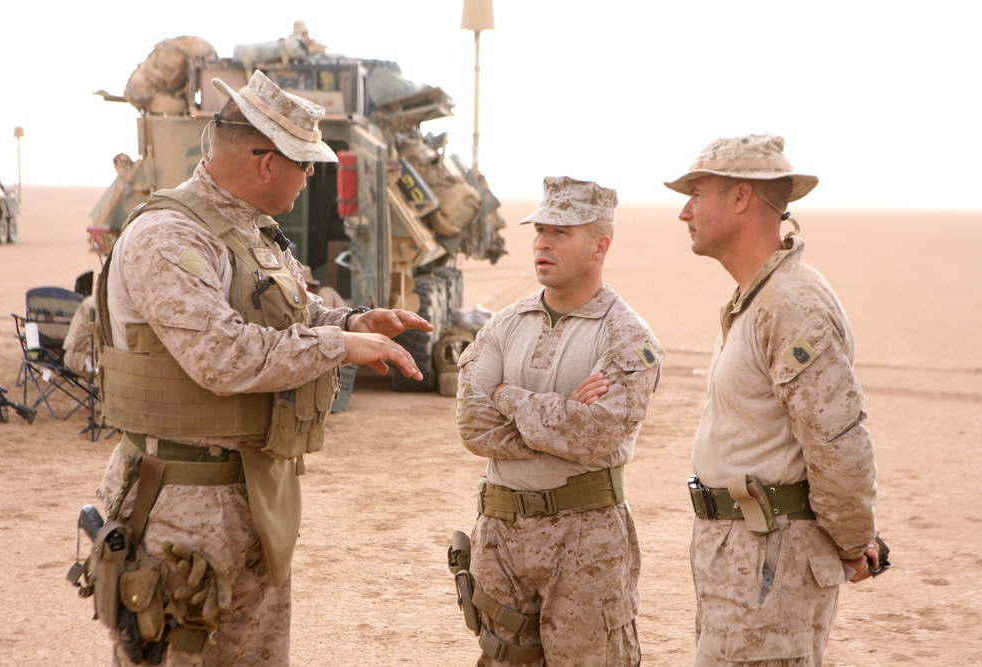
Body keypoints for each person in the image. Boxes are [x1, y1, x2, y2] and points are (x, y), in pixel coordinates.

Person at [90, 70, 431, 666]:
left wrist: (351, 323)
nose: (312, 176)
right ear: (266, 163)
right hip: (178, 509)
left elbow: (285, 314)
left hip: (252, 495)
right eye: (306, 163)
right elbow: (221, 357)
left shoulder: (252, 234)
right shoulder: (169, 237)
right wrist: (337, 349)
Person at [664, 134, 882, 666]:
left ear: (741, 198)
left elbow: (838, 446)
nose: (684, 211)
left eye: (697, 193)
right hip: (746, 563)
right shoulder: (757, 300)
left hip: (770, 568)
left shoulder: (791, 305)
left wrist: (854, 542)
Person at [456, 176, 664, 666]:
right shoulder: (505, 325)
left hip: (586, 539)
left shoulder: (627, 338)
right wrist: (560, 418)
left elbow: (595, 435)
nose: (542, 242)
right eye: (539, 230)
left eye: (561, 232)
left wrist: (509, 396)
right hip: (500, 534)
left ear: (600, 245)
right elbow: (472, 425)